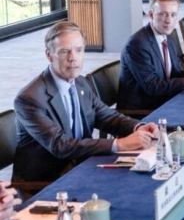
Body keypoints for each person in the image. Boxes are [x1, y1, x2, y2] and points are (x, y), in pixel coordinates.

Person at [14, 22, 158, 182]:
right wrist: (119, 144)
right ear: (49, 55)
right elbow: (61, 146)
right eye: (64, 52)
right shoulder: (29, 99)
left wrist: (138, 127)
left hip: (85, 162)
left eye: (79, 50)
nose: (73, 58)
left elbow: (107, 117)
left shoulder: (81, 82)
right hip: (49, 178)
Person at [118, 0, 184, 112]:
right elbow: (152, 86)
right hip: (143, 110)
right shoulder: (136, 44)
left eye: (173, 15)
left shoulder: (167, 37)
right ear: (151, 15)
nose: (169, 20)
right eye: (163, 14)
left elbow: (175, 72)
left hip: (165, 99)